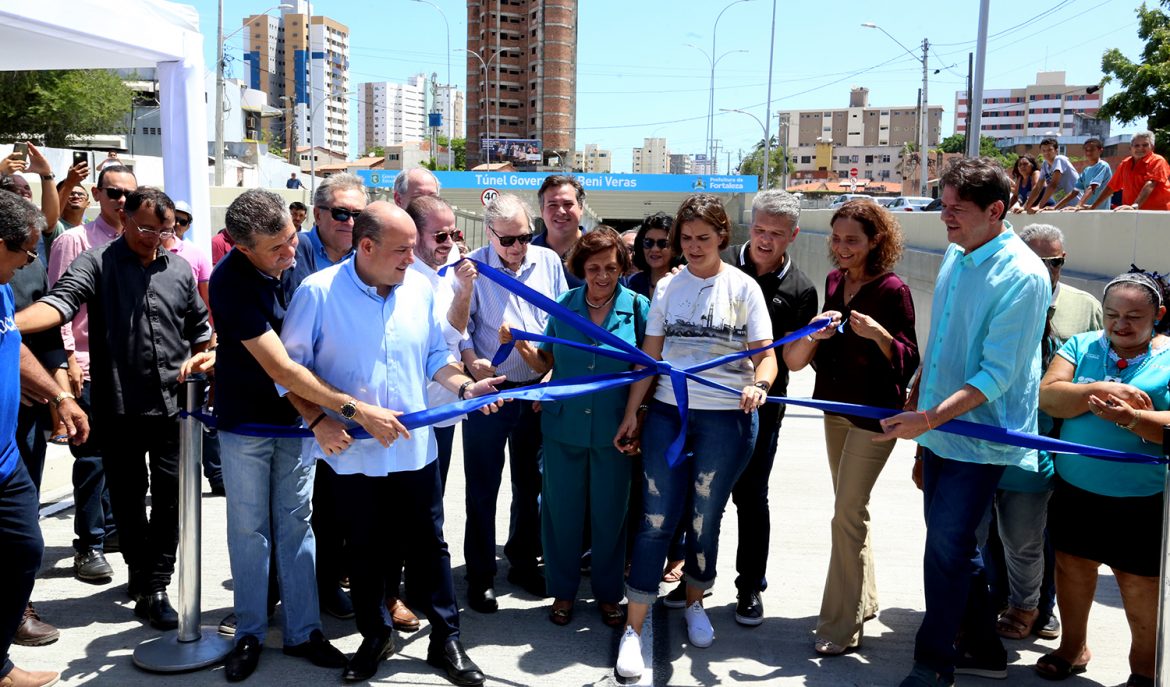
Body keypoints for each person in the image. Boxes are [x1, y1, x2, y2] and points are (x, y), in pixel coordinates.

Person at [282, 201, 499, 685]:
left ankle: (447, 639)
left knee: (429, 544)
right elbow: (288, 372)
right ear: (366, 246)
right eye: (402, 250)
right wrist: (318, 419)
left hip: (414, 449)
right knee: (363, 548)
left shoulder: (420, 288)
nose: (411, 258)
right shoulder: (317, 294)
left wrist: (464, 387)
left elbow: (435, 356)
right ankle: (374, 635)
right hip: (352, 452)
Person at [211, 189, 408, 681]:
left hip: (298, 426)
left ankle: (303, 631)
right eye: (274, 249)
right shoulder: (229, 282)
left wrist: (318, 418)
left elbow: (309, 358)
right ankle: (251, 631)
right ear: (242, 248)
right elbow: (283, 367)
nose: (288, 252)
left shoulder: (301, 266)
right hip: (247, 426)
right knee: (250, 529)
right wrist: (347, 411)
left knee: (299, 524)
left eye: (289, 237)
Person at [877, 157, 1051, 686]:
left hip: (979, 437)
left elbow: (996, 375)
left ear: (996, 210)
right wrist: (919, 395)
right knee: (951, 545)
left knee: (946, 548)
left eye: (957, 209)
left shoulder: (1024, 275)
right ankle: (982, 647)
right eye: (943, 206)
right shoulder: (957, 253)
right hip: (938, 430)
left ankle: (933, 662)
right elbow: (946, 342)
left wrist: (928, 418)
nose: (944, 218)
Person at [17, 187, 214, 631]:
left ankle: (157, 584)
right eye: (145, 228)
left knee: (171, 500)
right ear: (123, 217)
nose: (153, 239)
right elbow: (60, 303)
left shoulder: (179, 268)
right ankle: (140, 575)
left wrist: (205, 355)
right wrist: (8, 325)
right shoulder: (97, 263)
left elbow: (201, 329)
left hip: (174, 409)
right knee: (126, 500)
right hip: (119, 407)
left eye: (164, 231)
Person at [613, 194, 777, 679]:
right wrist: (631, 413)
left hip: (727, 419)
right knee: (656, 519)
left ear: (723, 237)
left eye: (703, 238)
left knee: (706, 517)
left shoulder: (744, 288)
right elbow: (650, 356)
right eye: (686, 238)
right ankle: (634, 628)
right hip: (668, 414)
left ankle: (694, 602)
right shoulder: (667, 287)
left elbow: (766, 355)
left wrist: (759, 384)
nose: (693, 247)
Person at [784, 199, 918, 654]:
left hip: (874, 417)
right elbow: (829, 348)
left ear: (876, 240)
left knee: (846, 514)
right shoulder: (835, 280)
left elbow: (909, 358)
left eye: (852, 241)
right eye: (837, 239)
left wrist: (879, 335)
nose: (841, 249)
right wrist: (819, 333)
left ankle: (841, 625)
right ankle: (865, 598)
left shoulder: (894, 289)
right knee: (851, 512)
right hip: (834, 408)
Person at [499, 227, 649, 629]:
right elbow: (546, 365)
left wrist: (639, 419)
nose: (603, 276)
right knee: (560, 515)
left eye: (612, 268)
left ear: (622, 268)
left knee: (610, 516)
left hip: (615, 433)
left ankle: (607, 594)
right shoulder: (564, 305)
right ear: (581, 268)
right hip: (562, 430)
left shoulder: (637, 307)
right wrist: (521, 346)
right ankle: (563, 591)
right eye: (594, 267)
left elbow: (648, 370)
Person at [1036, 269, 1170, 687]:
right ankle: (1072, 648)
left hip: (1142, 500)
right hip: (1077, 490)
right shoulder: (1081, 345)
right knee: (1072, 569)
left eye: (1134, 316)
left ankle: (1143, 671)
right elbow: (1050, 396)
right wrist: (1100, 389)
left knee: (1139, 586)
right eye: (1112, 314)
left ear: (1159, 315)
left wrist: (1133, 419)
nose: (1120, 324)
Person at [986, 223, 1102, 645]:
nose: (1042, 269)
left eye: (1050, 262)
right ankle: (1003, 599)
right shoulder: (999, 296)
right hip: (996, 436)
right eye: (1032, 259)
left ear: (1062, 262)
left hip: (1056, 443)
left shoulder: (1084, 306)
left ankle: (1040, 607)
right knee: (995, 533)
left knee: (1036, 535)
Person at [459, 193, 567, 611]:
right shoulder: (473, 269)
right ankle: (481, 573)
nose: (519, 247)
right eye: (508, 241)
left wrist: (554, 370)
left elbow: (559, 320)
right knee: (483, 488)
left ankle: (523, 562)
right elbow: (460, 327)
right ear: (490, 234)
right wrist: (473, 363)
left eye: (525, 236)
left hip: (536, 390)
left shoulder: (549, 262)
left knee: (531, 485)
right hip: (490, 393)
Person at [0, 190, 89, 687]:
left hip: (8, 461)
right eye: (27, 250)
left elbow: (11, 344)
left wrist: (57, 396)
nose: (32, 261)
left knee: (24, 551)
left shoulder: (0, 288)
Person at [720, 189, 819, 626]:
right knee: (703, 496)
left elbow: (794, 361)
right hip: (707, 404)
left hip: (763, 411)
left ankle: (749, 588)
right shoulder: (715, 264)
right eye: (759, 229)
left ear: (793, 235)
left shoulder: (801, 290)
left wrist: (813, 335)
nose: (765, 240)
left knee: (751, 498)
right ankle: (692, 580)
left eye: (776, 234)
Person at [287, 172, 369, 620]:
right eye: (341, 213)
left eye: (358, 214)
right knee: (292, 509)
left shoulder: (365, 258)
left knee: (336, 505)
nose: (350, 221)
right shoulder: (293, 253)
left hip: (345, 405)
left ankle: (327, 582)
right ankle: (271, 599)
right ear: (318, 214)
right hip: (292, 403)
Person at [47, 164, 133, 586]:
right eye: (113, 192)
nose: (121, 202)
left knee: (125, 461)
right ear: (97, 193)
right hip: (88, 367)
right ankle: (90, 546)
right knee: (93, 460)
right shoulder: (74, 240)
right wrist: (69, 362)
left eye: (128, 195)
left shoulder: (139, 242)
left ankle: (115, 531)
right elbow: (59, 305)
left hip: (131, 372)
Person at [1088, 131, 1170, 211]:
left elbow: (1150, 184)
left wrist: (1135, 206)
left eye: (1145, 145)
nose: (1140, 148)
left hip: (1158, 213)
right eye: (1136, 145)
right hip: (1132, 213)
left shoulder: (1158, 160)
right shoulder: (1125, 163)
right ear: (1130, 148)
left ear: (1152, 147)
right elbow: (1111, 187)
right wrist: (1093, 206)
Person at [533, 175, 585, 287]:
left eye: (568, 204)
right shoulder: (526, 251)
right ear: (542, 211)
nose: (561, 211)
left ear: (581, 208)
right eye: (552, 205)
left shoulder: (600, 251)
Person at [626, 212, 679, 299]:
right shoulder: (631, 283)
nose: (655, 249)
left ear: (674, 248)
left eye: (662, 243)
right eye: (648, 242)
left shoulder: (683, 282)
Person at [1028, 138, 1080, 213]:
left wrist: (1039, 206)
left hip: (1075, 205)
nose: (1046, 153)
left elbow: (1053, 185)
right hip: (1060, 206)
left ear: (1056, 150)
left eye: (1049, 150)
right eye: (1044, 151)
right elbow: (1038, 187)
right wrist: (1026, 207)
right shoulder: (1045, 165)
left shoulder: (1060, 159)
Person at [1060, 138, 1112, 211]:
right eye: (1086, 150)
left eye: (1092, 149)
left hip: (1100, 212)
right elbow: (1074, 192)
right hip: (1086, 211)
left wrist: (1078, 205)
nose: (1088, 152)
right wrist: (1055, 207)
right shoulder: (1086, 170)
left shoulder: (1103, 165)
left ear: (1100, 150)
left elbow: (1092, 187)